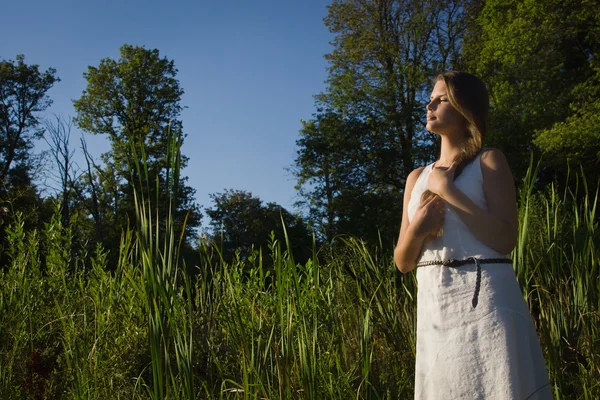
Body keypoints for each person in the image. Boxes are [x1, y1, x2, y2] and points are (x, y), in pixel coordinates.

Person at [394, 71, 552, 399]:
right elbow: (403, 262)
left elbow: (505, 238)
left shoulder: (489, 161)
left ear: (465, 109)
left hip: (488, 304)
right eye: (431, 98)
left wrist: (447, 191)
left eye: (442, 99)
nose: (430, 104)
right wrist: (420, 227)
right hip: (436, 305)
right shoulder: (415, 178)